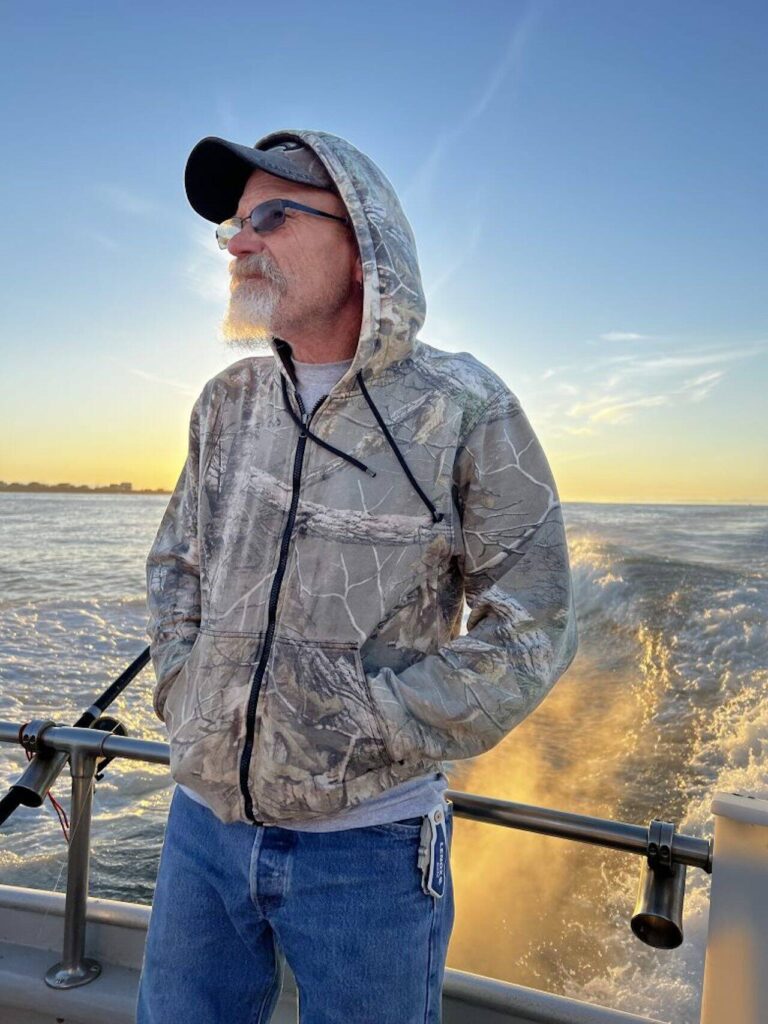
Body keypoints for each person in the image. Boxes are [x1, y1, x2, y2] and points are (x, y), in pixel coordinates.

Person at [136, 128, 579, 1024]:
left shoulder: (464, 405)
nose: (240, 243)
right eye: (233, 226)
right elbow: (176, 566)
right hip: (202, 832)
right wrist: (188, 693)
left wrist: (376, 721)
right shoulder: (227, 405)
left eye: (271, 216)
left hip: (367, 851)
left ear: (362, 239)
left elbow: (534, 623)